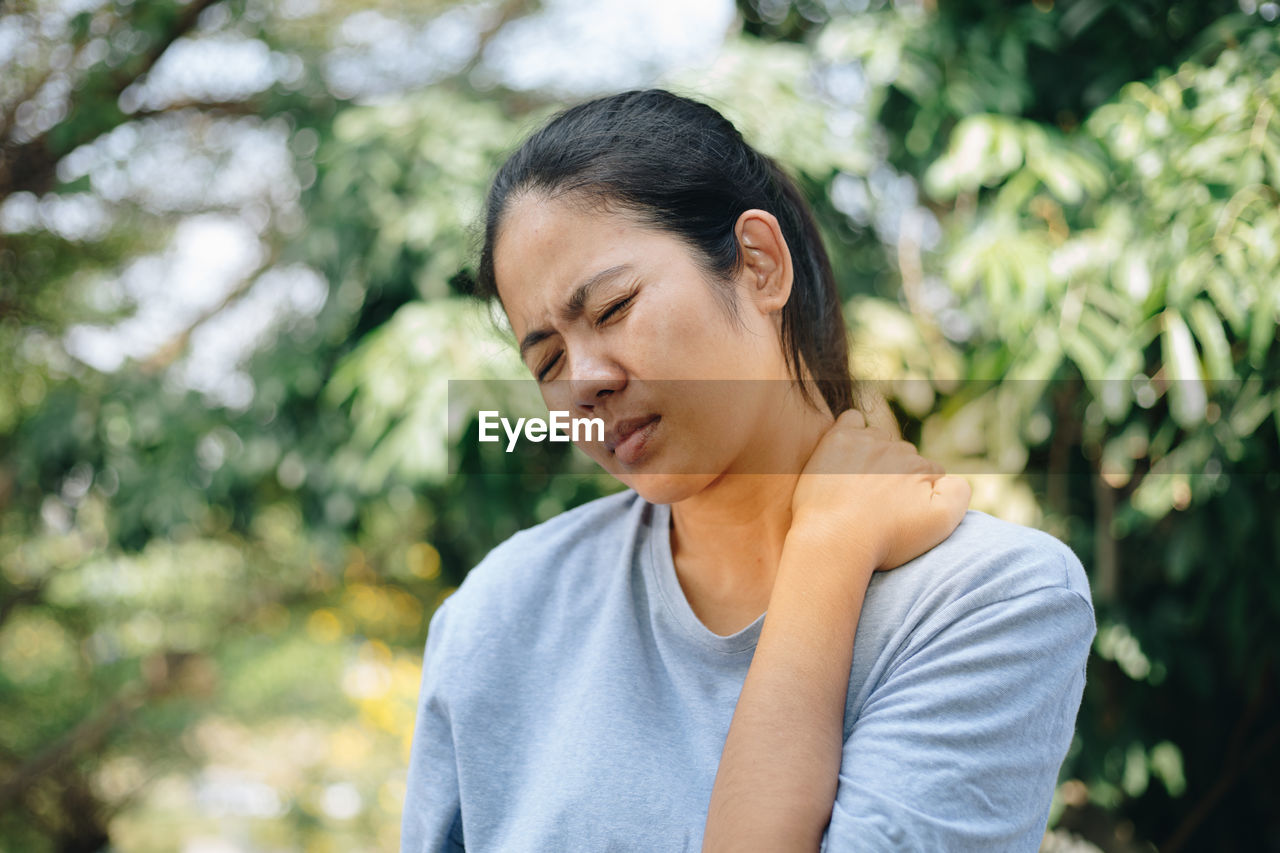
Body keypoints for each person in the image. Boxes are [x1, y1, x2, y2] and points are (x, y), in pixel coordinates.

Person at [401, 89, 1095, 852]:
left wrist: (827, 554)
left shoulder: (986, 599)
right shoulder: (500, 614)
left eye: (612, 307)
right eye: (547, 358)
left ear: (759, 264)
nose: (584, 379)